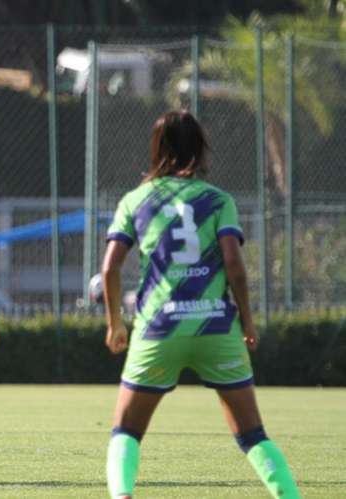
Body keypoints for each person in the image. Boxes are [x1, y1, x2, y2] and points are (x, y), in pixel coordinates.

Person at [101, 111, 300, 499]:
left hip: (159, 329)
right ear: (200, 148)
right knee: (252, 434)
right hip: (216, 327)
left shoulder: (135, 200)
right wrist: (247, 322)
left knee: (126, 431)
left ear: (156, 148)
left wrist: (115, 323)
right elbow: (234, 266)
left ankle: (123, 496)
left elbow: (110, 267)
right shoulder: (217, 199)